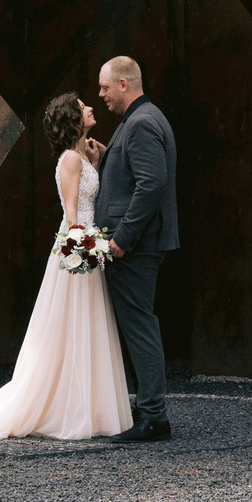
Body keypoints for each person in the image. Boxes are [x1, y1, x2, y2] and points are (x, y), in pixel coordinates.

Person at [0, 91, 133, 442]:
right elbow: (74, 215)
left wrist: (98, 164)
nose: (90, 107)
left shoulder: (79, 158)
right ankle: (71, 408)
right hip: (78, 251)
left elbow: (89, 199)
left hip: (84, 245)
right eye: (82, 107)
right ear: (74, 120)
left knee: (82, 327)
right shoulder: (70, 162)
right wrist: (85, 253)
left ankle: (83, 405)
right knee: (73, 326)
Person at [94, 54, 178, 443]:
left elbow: (151, 186)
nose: (101, 95)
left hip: (136, 247)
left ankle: (154, 416)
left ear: (124, 85)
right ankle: (146, 408)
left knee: (140, 324)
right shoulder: (140, 119)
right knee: (135, 323)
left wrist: (122, 241)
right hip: (138, 245)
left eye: (105, 87)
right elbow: (136, 179)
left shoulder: (142, 122)